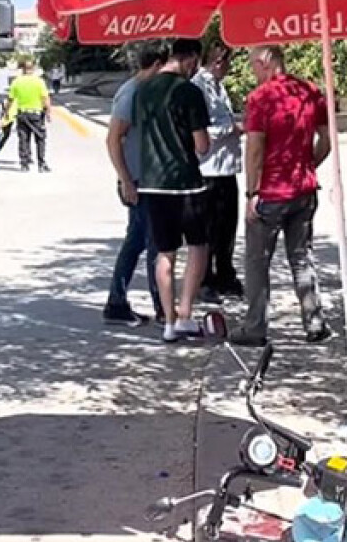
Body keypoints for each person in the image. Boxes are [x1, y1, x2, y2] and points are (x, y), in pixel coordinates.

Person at [231, 45, 332, 347]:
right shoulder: (309, 91)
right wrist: (307, 165)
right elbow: (326, 140)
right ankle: (314, 322)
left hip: (271, 192)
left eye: (253, 65)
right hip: (304, 189)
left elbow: (255, 149)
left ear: (265, 62)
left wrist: (251, 193)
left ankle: (254, 327)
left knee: (257, 261)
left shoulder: (261, 98)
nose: (252, 72)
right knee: (302, 258)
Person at [134, 38, 211, 343]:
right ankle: (185, 315)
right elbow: (202, 145)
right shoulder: (188, 92)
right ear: (191, 59)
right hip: (186, 183)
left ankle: (167, 321)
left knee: (164, 254)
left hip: (153, 184)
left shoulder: (143, 92)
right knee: (198, 247)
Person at [103, 42, 169, 326]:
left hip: (146, 178)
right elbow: (113, 139)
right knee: (150, 242)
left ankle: (117, 302)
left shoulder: (143, 91)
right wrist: (126, 180)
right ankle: (161, 306)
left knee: (139, 240)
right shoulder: (131, 94)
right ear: (156, 65)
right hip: (138, 181)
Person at [191, 43, 244, 303]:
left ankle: (225, 272)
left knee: (227, 226)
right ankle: (206, 279)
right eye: (228, 62)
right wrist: (230, 131)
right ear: (218, 61)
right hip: (209, 167)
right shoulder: (199, 87)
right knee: (210, 228)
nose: (230, 68)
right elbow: (200, 130)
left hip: (226, 167)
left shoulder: (218, 87)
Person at [8, 59, 51, 172]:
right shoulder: (39, 81)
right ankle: (41, 164)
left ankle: (24, 164)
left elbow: (11, 99)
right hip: (36, 114)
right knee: (40, 138)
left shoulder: (17, 81)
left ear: (22, 69)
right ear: (33, 68)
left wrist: (7, 112)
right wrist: (48, 113)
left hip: (22, 114)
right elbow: (45, 98)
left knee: (23, 139)